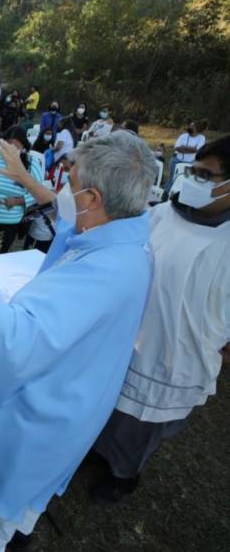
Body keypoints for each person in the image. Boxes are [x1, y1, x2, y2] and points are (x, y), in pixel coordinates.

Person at [0, 131, 157, 552]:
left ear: (95, 198)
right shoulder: (127, 232)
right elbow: (67, 219)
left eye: (72, 183)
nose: (65, 191)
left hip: (42, 409)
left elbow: (15, 337)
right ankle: (12, 538)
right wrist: (27, 179)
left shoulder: (102, 274)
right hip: (78, 394)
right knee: (24, 501)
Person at [91, 135, 230, 504]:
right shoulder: (163, 213)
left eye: (206, 175)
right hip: (127, 335)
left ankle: (123, 477)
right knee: (110, 408)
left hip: (176, 355)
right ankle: (99, 453)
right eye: (193, 171)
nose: (192, 179)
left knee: (139, 428)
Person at [0, 126, 44, 257]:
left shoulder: (32, 164)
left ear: (23, 147)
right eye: (8, 146)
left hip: (8, 223)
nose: (10, 151)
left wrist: (18, 201)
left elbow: (38, 192)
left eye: (15, 148)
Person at [168, 120, 207, 186]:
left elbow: (197, 150)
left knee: (185, 181)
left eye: (192, 126)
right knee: (172, 179)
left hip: (189, 163)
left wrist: (183, 147)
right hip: (177, 160)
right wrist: (191, 149)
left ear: (197, 128)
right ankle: (166, 193)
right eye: (190, 125)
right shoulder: (183, 136)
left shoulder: (201, 138)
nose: (190, 127)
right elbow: (177, 148)